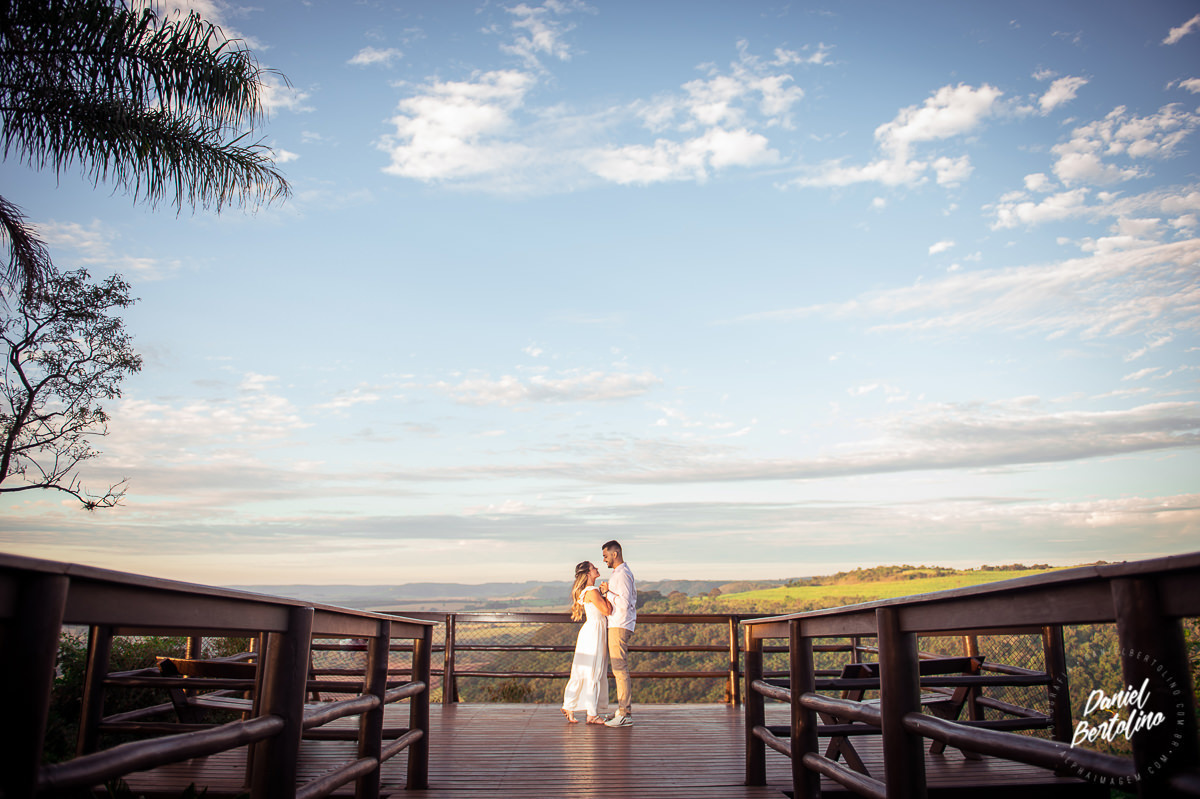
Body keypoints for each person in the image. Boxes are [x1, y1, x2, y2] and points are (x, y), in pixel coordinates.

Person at [561, 560, 612, 724]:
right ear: (588, 573)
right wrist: (607, 593)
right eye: (593, 568)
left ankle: (570, 706)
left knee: (584, 670)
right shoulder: (592, 591)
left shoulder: (587, 591)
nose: (597, 569)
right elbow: (607, 611)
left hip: (591, 630)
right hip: (595, 632)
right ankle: (591, 714)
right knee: (593, 670)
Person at [598, 539, 636, 727]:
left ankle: (625, 713)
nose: (604, 560)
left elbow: (624, 602)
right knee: (618, 669)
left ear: (615, 553)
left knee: (620, 670)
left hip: (620, 625)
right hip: (619, 624)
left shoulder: (621, 575)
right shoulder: (620, 573)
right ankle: (622, 710)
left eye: (605, 556)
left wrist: (607, 593)